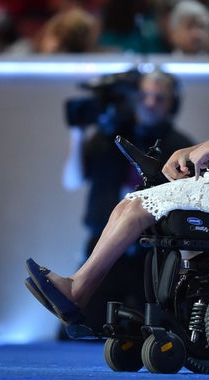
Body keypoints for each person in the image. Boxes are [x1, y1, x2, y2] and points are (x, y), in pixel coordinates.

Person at [24, 0, 209, 337]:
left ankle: (79, 290)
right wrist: (192, 149)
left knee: (137, 205)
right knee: (130, 203)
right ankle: (79, 288)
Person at [61, 68, 194, 332]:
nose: (150, 103)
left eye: (159, 98)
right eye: (145, 95)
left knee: (162, 328)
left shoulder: (181, 148)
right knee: (78, 328)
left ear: (173, 104)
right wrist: (77, 133)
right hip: (105, 245)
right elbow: (72, 180)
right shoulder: (109, 137)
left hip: (152, 253)